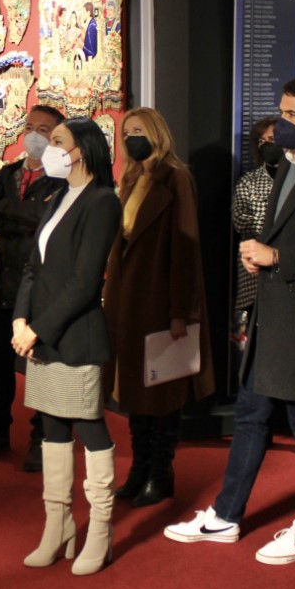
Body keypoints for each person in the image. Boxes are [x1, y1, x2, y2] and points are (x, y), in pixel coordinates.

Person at [165, 76, 295, 564]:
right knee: (252, 416)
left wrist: (277, 256)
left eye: (292, 116)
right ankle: (226, 515)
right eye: (280, 113)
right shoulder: (285, 165)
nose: (281, 124)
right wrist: (265, 258)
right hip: (272, 316)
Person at [12, 117, 122, 575]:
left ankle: (100, 528)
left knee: (89, 427)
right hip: (40, 332)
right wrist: (20, 317)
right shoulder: (56, 197)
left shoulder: (102, 202)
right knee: (52, 426)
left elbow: (83, 283)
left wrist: (37, 329)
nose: (46, 148)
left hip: (75, 336)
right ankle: (57, 526)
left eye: (57, 141)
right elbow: (33, 268)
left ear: (82, 150)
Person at [102, 106, 214, 507]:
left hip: (158, 297)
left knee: (160, 391)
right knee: (134, 390)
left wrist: (180, 310)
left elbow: (186, 247)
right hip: (127, 300)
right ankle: (140, 468)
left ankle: (160, 471)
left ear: (156, 133)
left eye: (139, 130)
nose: (132, 136)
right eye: (127, 130)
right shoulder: (130, 177)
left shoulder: (176, 177)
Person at [0, 104, 65, 470]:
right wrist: (24, 214)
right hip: (3, 283)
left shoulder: (62, 181)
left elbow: (48, 223)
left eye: (45, 129)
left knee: (40, 365)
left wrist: (12, 213)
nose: (35, 135)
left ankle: (42, 436)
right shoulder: (8, 174)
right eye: (30, 127)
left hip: (40, 287)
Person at [232, 117, 280, 330]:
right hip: (255, 277)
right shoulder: (248, 182)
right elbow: (241, 221)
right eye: (261, 141)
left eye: (271, 139)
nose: (266, 145)